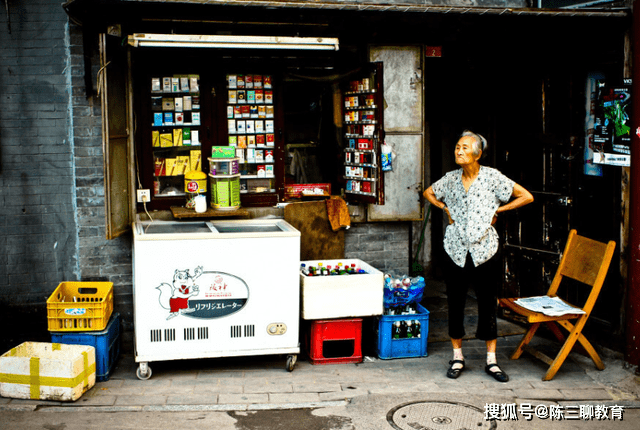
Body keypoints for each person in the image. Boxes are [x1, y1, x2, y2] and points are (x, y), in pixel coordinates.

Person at [423, 130, 533, 383]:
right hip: (456, 249)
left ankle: (491, 361)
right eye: (457, 148)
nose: (458, 151)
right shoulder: (450, 179)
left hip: (485, 250)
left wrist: (499, 209)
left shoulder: (492, 177)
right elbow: (429, 192)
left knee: (486, 302)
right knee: (456, 302)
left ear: (477, 154)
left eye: (464, 148)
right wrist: (443, 207)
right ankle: (458, 356)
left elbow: (526, 196)